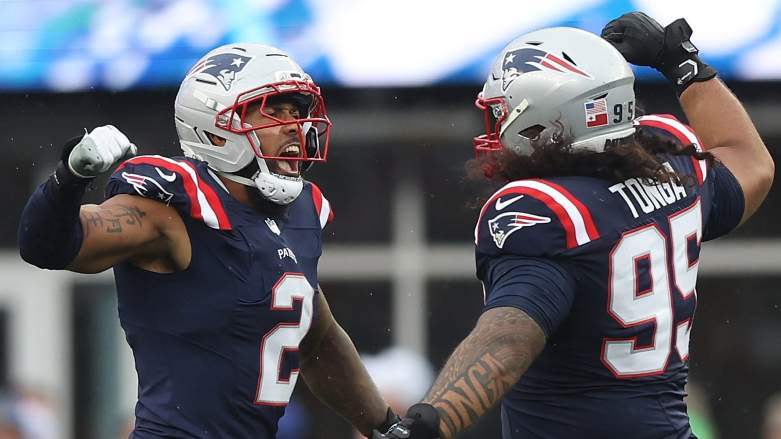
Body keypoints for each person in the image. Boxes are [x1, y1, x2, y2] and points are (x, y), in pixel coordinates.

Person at [374, 12, 774, 439]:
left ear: (544, 120)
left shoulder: (547, 211)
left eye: (505, 114)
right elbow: (752, 163)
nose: (496, 129)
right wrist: (684, 65)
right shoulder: (673, 169)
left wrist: (433, 420)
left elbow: (509, 338)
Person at [18, 43, 397, 438]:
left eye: (297, 112)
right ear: (216, 128)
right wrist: (70, 177)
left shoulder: (299, 215)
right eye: (273, 111)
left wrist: (386, 427)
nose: (293, 126)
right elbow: (45, 245)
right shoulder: (174, 208)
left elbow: (317, 338)